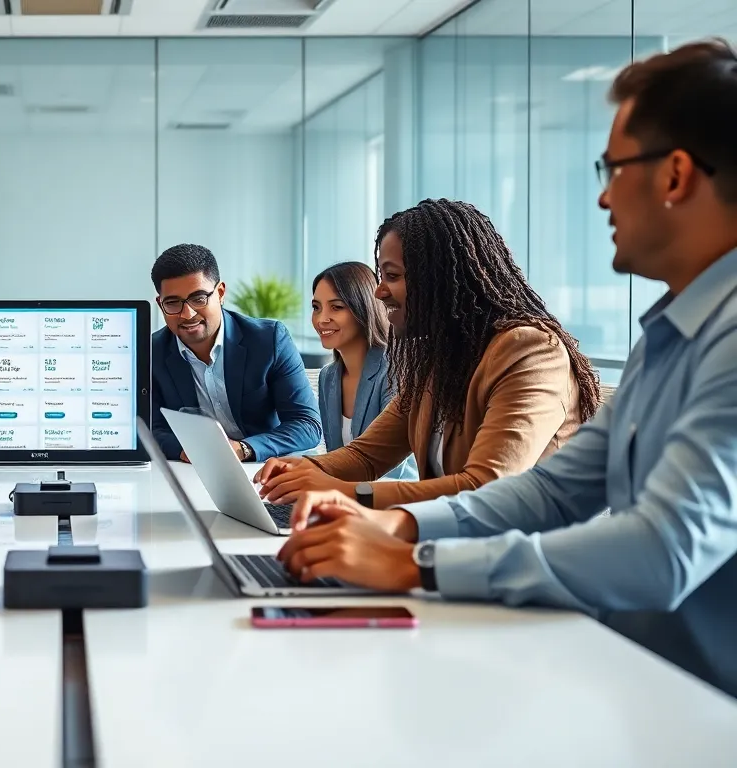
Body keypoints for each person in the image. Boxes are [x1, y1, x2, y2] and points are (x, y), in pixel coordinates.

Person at [277, 39, 737, 698]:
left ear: (675, 176)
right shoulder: (670, 336)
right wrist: (397, 528)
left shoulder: (720, 340)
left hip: (696, 705)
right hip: (627, 674)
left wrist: (417, 564)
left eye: (612, 168)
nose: (603, 200)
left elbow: (663, 549)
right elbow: (551, 493)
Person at [254, 199, 600, 509]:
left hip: (525, 561)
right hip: (455, 547)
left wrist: (344, 493)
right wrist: (303, 470)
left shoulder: (530, 351)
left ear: (441, 279)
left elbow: (486, 488)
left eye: (392, 276)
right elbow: (366, 454)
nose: (379, 291)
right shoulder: (439, 361)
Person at [149, 243, 321, 462]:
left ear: (220, 293)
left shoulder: (269, 340)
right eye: (173, 303)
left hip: (263, 467)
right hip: (192, 469)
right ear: (160, 303)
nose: (187, 314)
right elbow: (146, 429)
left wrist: (243, 448)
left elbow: (307, 425)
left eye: (199, 298)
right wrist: (184, 450)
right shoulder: (151, 352)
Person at [310, 262, 416, 480]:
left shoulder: (395, 367)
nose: (321, 319)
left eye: (336, 307)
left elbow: (393, 467)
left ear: (363, 307)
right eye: (316, 307)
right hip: (346, 498)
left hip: (393, 497)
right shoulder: (328, 377)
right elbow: (337, 457)